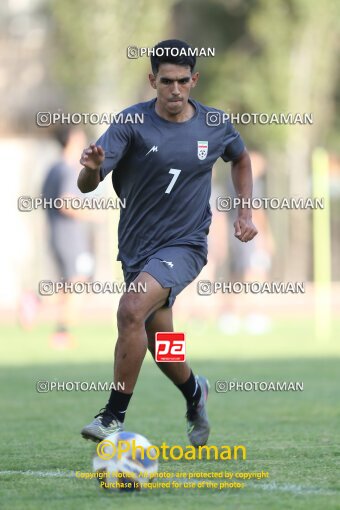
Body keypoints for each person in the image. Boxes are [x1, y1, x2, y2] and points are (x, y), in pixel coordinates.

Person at [78, 39, 257, 446]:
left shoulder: (214, 124)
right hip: (138, 247)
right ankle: (196, 392)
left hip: (186, 245)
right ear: (151, 80)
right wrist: (89, 170)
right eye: (165, 81)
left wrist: (245, 211)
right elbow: (87, 184)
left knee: (130, 310)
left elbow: (240, 158)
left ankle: (111, 416)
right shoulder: (130, 124)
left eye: (182, 81)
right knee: (162, 344)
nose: (174, 90)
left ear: (194, 79)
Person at [42, 127, 95, 349]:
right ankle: (61, 332)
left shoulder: (52, 169)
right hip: (70, 236)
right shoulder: (68, 170)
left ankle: (36, 304)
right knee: (77, 284)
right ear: (71, 141)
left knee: (67, 286)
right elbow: (65, 203)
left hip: (56, 233)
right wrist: (94, 213)